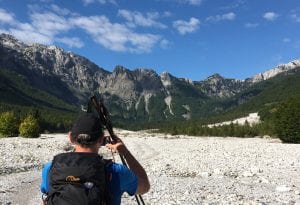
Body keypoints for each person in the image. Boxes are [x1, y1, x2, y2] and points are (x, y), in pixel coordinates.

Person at [40, 113, 150, 205]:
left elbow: (48, 196)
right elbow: (145, 186)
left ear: (70, 137)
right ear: (101, 139)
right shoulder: (116, 171)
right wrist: (125, 152)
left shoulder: (50, 168)